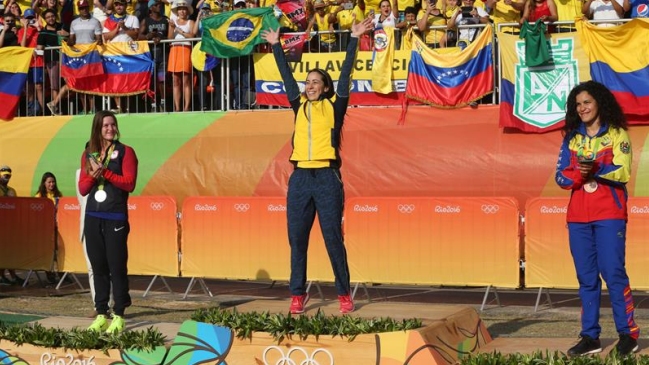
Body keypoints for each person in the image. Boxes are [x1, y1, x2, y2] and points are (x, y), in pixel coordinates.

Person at [261, 15, 373, 315]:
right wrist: (275, 47)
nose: (309, 86)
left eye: (315, 82)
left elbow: (347, 74)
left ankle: (343, 293)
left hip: (326, 177)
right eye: (307, 82)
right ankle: (298, 293)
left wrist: (353, 40)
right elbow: (286, 76)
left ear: (325, 88)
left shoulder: (335, 107)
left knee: (332, 238)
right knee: (297, 239)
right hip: (299, 179)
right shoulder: (299, 105)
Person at [555, 81, 640, 357]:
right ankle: (590, 337)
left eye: (587, 102)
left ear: (599, 103)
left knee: (613, 273)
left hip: (609, 215)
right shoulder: (572, 139)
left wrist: (594, 168)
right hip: (578, 217)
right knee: (587, 278)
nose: (582, 108)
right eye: (578, 104)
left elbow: (623, 171)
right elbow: (561, 176)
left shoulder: (617, 134)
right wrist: (580, 175)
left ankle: (628, 334)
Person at [79, 110, 138, 334]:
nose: (110, 129)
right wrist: (94, 175)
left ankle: (119, 313)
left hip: (115, 216)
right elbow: (83, 189)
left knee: (116, 267)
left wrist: (105, 172)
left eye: (113, 125)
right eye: (105, 126)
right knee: (98, 267)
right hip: (93, 216)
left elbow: (129, 183)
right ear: (98, 128)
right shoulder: (88, 154)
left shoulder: (126, 152)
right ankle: (101, 312)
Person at [47, 0, 102, 115]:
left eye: (86, 7)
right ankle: (85, 109)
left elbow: (99, 38)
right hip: (78, 55)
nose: (84, 10)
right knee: (80, 84)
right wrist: (68, 41)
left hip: (91, 56)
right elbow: (72, 38)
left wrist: (99, 42)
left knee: (89, 83)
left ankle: (91, 109)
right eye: (82, 8)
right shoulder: (74, 23)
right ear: (79, 9)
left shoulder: (95, 22)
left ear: (88, 7)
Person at [138, 0, 169, 112]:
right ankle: (153, 104)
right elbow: (139, 36)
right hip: (150, 56)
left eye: (159, 4)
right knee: (151, 80)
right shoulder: (146, 20)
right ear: (151, 8)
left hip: (163, 54)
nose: (159, 6)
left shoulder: (165, 19)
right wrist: (148, 36)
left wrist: (161, 38)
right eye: (156, 5)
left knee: (162, 80)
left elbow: (170, 36)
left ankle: (163, 103)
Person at [35, 171, 64, 285]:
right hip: (45, 229)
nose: (51, 184)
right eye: (49, 182)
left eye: (53, 182)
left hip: (57, 227)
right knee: (48, 251)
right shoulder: (39, 196)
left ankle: (62, 273)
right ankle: (49, 273)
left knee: (59, 250)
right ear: (44, 183)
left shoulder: (58, 195)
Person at [167, 0, 194, 112]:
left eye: (184, 9)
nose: (182, 11)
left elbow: (192, 35)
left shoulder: (190, 22)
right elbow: (169, 38)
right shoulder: (173, 23)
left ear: (187, 11)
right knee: (175, 80)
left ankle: (187, 107)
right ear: (177, 11)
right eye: (180, 9)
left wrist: (179, 30)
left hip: (186, 49)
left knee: (186, 80)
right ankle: (177, 107)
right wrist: (172, 28)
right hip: (174, 49)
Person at [0, 165, 25, 286]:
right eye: (5, 176)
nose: (7, 178)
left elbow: (17, 206)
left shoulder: (12, 190)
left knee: (9, 252)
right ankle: (3, 276)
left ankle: (13, 276)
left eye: (8, 176)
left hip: (10, 225)